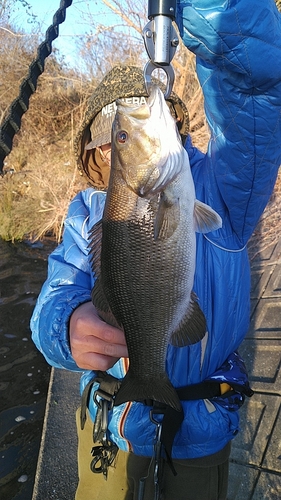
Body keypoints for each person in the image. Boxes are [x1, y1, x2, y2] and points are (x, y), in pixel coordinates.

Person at [30, 1, 281, 499]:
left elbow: (253, 90)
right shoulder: (85, 212)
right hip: (110, 421)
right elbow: (55, 296)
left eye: (123, 135)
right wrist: (65, 325)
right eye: (111, 139)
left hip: (200, 424)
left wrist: (214, 8)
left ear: (172, 121)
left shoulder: (224, 186)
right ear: (92, 153)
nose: (114, 149)